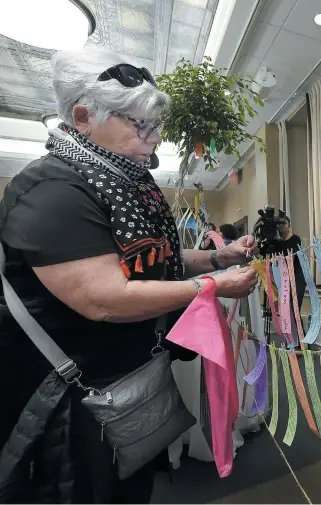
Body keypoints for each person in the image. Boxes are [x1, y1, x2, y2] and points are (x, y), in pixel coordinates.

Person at [0, 49, 259, 503]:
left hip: (124, 380)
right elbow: (105, 297)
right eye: (141, 125)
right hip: (70, 402)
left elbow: (154, 260)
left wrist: (221, 259)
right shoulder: (53, 190)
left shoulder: (123, 182)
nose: (154, 137)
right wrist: (213, 286)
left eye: (156, 125)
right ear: (83, 117)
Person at [277, 216, 306, 344]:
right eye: (278, 224)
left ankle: (303, 343)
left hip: (297, 278)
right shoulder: (278, 244)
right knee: (287, 312)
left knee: (295, 311)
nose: (281, 225)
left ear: (289, 225)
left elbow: (292, 258)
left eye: (284, 223)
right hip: (285, 280)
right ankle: (293, 341)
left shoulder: (296, 239)